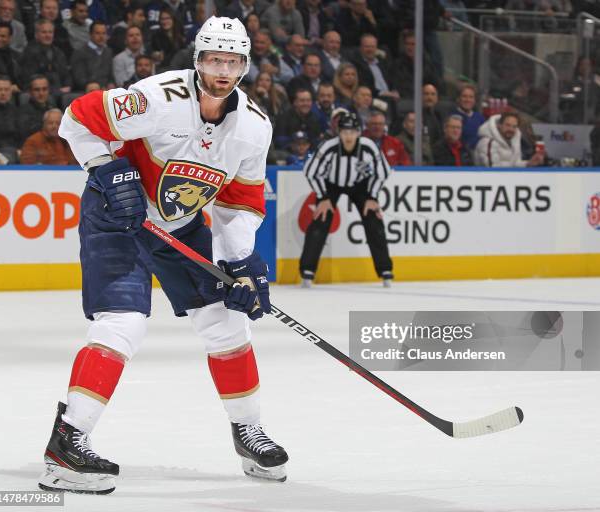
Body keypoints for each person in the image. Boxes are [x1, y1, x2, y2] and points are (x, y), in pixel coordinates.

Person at [37, 15, 288, 495]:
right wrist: (109, 170)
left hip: (183, 224)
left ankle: (248, 431)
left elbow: (241, 203)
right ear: (198, 60)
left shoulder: (255, 128)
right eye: (214, 59)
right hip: (119, 218)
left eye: (233, 60)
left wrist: (242, 262)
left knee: (227, 323)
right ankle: (67, 442)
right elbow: (77, 119)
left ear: (245, 65)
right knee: (123, 323)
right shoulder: (158, 97)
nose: (223, 69)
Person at [299, 112, 393, 288]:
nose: (348, 136)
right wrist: (323, 197)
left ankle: (385, 270)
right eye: (344, 132)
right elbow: (310, 172)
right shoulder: (328, 147)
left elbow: (383, 172)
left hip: (359, 185)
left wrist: (372, 197)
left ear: (359, 132)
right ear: (338, 132)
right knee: (321, 220)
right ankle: (307, 270)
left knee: (373, 220)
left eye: (352, 132)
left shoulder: (369, 146)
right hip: (331, 185)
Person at [474, 112, 544, 167]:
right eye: (508, 125)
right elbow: (493, 171)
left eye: (514, 126)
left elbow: (515, 164)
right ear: (499, 125)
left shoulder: (514, 140)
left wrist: (528, 163)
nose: (511, 129)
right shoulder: (487, 142)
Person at [20, 19, 71, 94]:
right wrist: (55, 90)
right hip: (40, 91)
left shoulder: (59, 52)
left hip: (60, 91)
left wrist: (68, 86)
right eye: (44, 32)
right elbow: (30, 79)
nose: (48, 35)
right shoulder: (29, 53)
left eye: (50, 32)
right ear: (36, 34)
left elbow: (66, 75)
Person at [71, 21, 114, 92]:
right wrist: (96, 86)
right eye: (97, 33)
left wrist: (111, 84)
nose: (101, 36)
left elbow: (110, 76)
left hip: (105, 90)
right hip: (87, 90)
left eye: (104, 33)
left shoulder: (108, 52)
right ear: (90, 34)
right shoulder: (79, 52)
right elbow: (79, 78)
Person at [0, 75, 21, 163]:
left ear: (11, 92)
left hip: (9, 150)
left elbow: (19, 134)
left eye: (6, 90)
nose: (3, 93)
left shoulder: (15, 111)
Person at [18, 75, 55, 141]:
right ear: (30, 92)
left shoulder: (52, 108)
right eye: (37, 90)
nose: (41, 93)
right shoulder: (22, 111)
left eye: (44, 89)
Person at [150, 7, 186, 72]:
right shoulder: (156, 36)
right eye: (162, 19)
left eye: (167, 18)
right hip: (165, 68)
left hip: (181, 67)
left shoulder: (180, 34)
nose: (164, 21)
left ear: (173, 19)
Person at [0, 21, 21, 90]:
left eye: (3, 36)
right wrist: (9, 87)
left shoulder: (16, 55)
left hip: (16, 91)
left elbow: (22, 77)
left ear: (10, 38)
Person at [451, 84, 485, 149]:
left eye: (471, 97)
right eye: (464, 96)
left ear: (475, 100)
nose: (468, 100)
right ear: (458, 98)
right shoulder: (453, 118)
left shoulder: (480, 117)